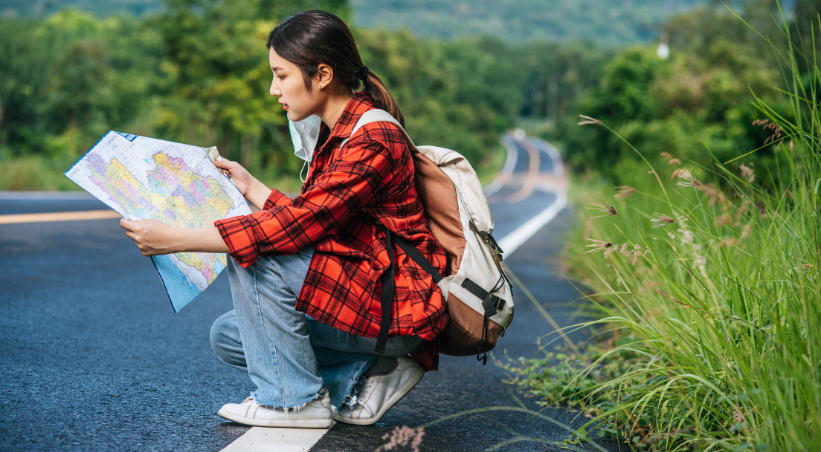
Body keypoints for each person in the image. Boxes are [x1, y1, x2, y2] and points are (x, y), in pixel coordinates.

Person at [119, 9, 448, 429]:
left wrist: (176, 239)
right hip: (368, 291)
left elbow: (297, 229)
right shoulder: (337, 135)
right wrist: (251, 186)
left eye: (281, 75)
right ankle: (365, 374)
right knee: (230, 334)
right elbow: (316, 219)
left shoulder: (373, 138)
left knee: (255, 251)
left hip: (400, 304)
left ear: (323, 74)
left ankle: (294, 403)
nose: (274, 89)